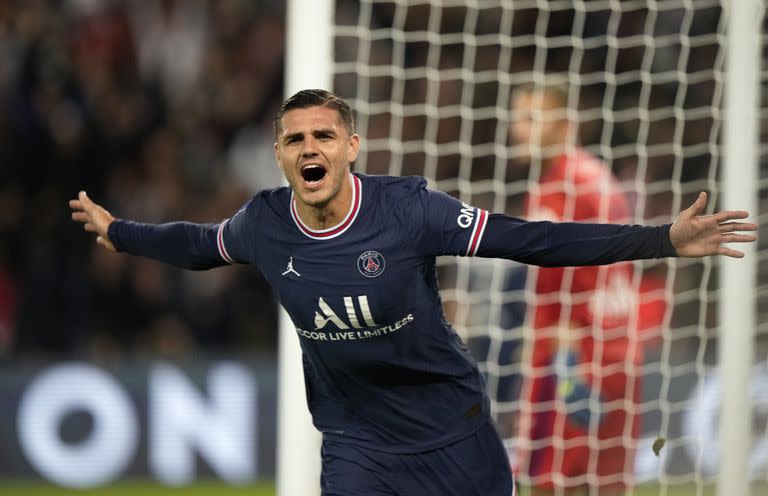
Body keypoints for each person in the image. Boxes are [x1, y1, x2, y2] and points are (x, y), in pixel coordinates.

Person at [70, 89, 756, 496]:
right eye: (296, 139)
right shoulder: (264, 224)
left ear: (351, 147)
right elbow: (195, 247)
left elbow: (532, 241)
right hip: (357, 444)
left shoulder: (410, 211)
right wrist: (120, 232)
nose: (310, 148)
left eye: (324, 136)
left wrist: (663, 238)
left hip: (454, 435)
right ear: (281, 155)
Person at [509, 81, 670, 495]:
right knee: (608, 483)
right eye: (517, 117)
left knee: (550, 483)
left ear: (564, 123)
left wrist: (555, 364)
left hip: (575, 359)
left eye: (530, 118)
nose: (517, 129)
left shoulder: (553, 191)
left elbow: (553, 298)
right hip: (620, 349)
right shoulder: (601, 179)